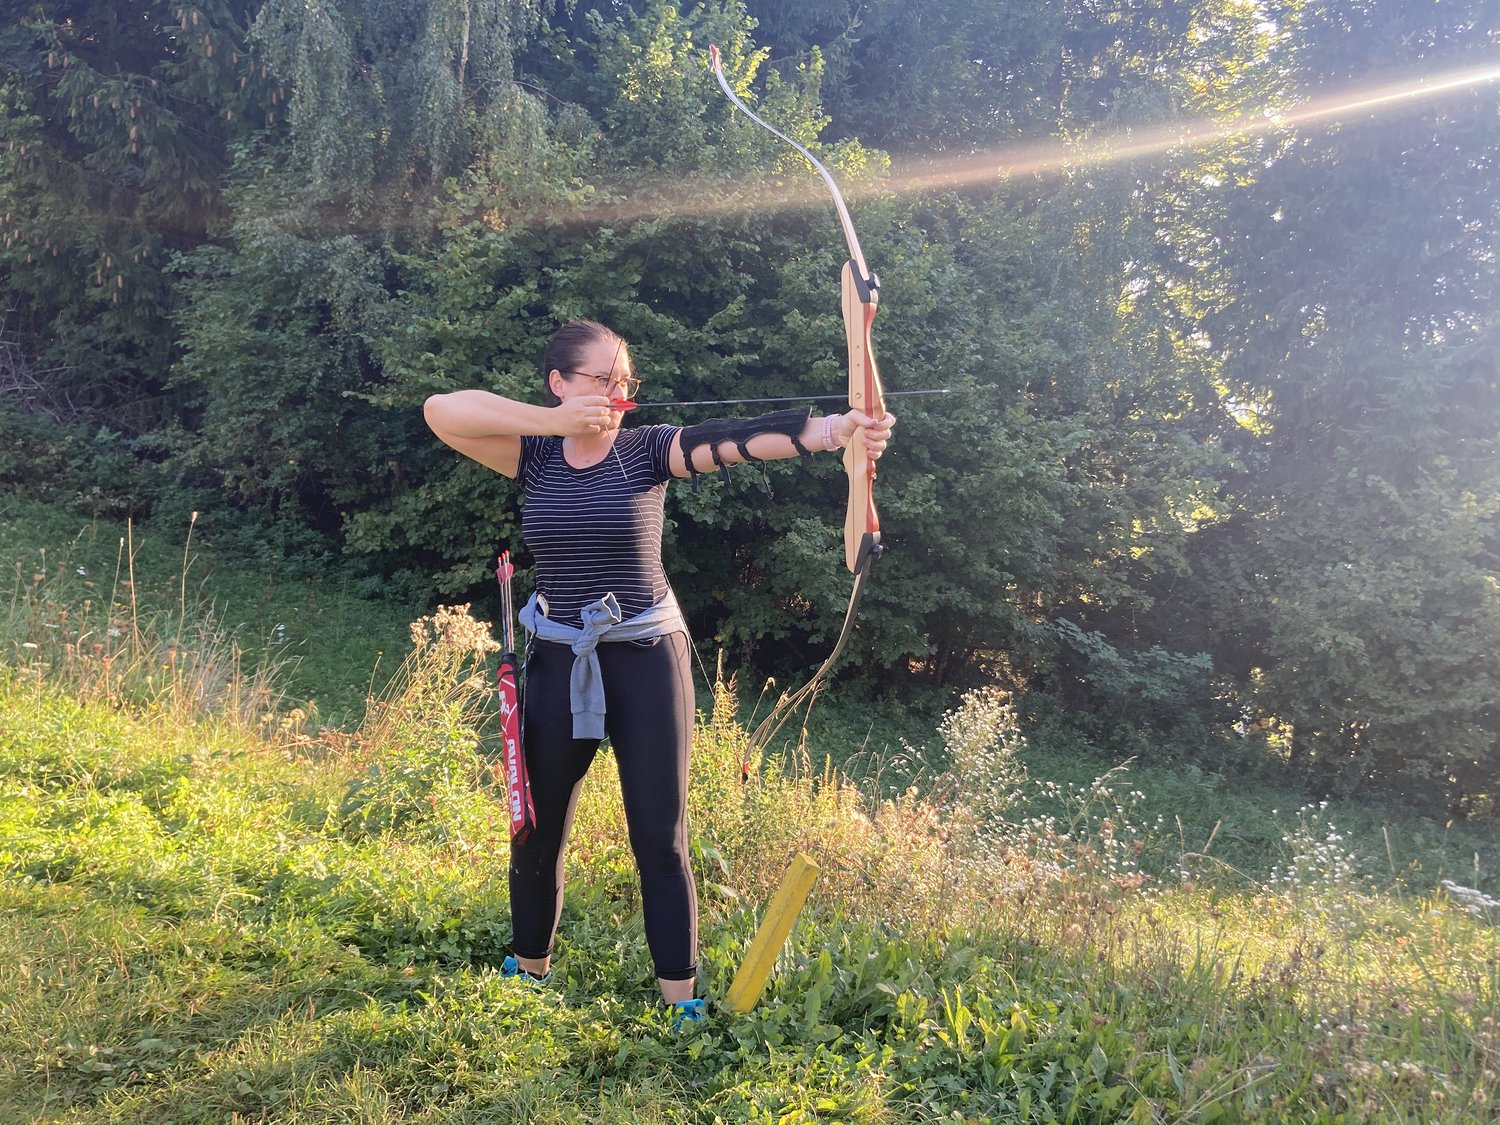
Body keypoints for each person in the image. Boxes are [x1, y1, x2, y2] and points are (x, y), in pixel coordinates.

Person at [422, 319, 894, 1023]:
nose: (618, 394)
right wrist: (552, 422)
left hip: (645, 656)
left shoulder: (645, 450)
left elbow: (730, 441)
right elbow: (440, 410)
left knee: (659, 838)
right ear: (558, 382)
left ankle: (681, 1002)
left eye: (625, 383)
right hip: (558, 656)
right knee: (536, 829)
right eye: (601, 380)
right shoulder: (534, 454)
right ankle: (529, 972)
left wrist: (835, 432)